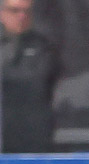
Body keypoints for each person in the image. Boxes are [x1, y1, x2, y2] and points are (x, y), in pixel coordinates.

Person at [1, 0, 59, 153]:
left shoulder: (44, 46)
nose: (21, 16)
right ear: (2, 14)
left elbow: (36, 82)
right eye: (15, 11)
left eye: (26, 11)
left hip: (32, 138)